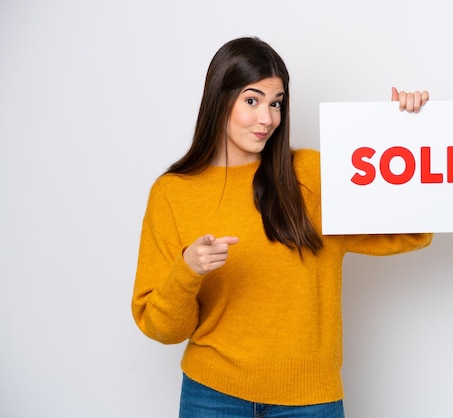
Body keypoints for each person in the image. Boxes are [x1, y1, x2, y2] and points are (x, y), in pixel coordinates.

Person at [132, 36, 432, 418]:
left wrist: (409, 134)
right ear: (218, 99)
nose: (267, 118)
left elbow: (407, 230)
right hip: (212, 396)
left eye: (276, 104)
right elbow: (161, 328)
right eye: (252, 100)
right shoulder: (173, 193)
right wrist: (188, 269)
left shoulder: (310, 176)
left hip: (310, 401)